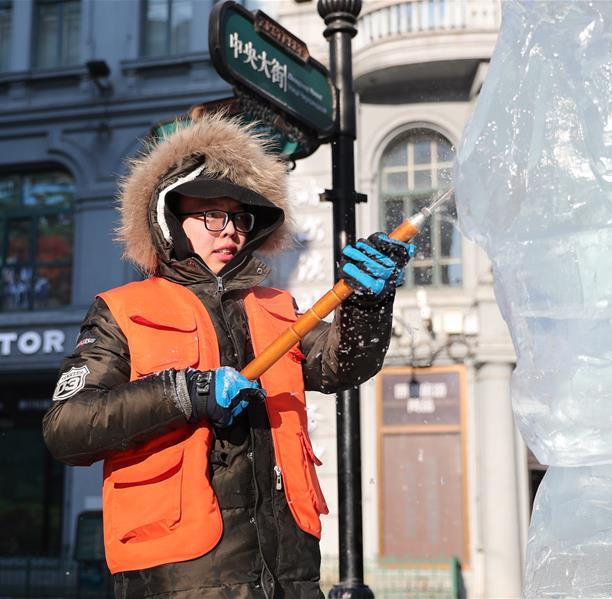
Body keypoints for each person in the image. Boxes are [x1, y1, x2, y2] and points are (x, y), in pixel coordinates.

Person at [42, 113, 415, 599]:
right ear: (170, 220)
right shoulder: (122, 309)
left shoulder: (277, 308)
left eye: (241, 218)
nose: (231, 231)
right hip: (180, 580)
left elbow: (345, 363)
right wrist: (185, 392)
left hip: (290, 577)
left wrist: (368, 302)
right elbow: (67, 429)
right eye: (212, 216)